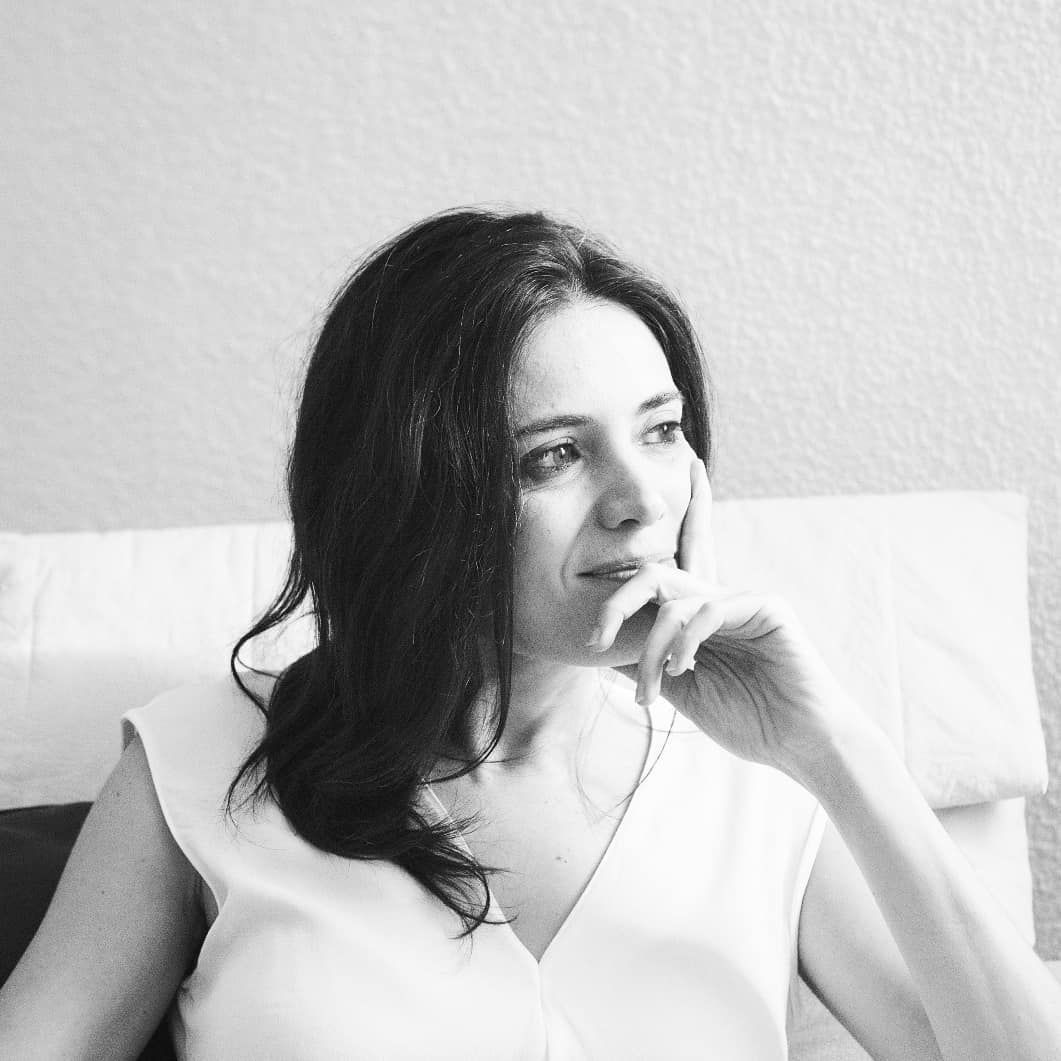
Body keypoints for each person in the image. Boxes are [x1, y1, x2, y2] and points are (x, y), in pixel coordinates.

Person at [1, 208, 1059, 1061]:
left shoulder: (764, 779)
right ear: (408, 494)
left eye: (660, 430)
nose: (640, 500)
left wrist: (834, 748)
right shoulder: (200, 759)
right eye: (554, 455)